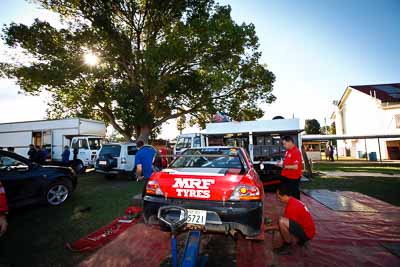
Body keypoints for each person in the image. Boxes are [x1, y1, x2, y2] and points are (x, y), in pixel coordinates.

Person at [265, 184, 315, 255]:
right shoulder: (293, 201)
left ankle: (287, 246)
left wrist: (267, 228)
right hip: (308, 230)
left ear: (285, 196)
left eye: (279, 197)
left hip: (307, 234)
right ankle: (301, 239)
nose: (278, 199)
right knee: (281, 220)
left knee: (281, 221)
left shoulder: (292, 207)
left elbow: (283, 224)